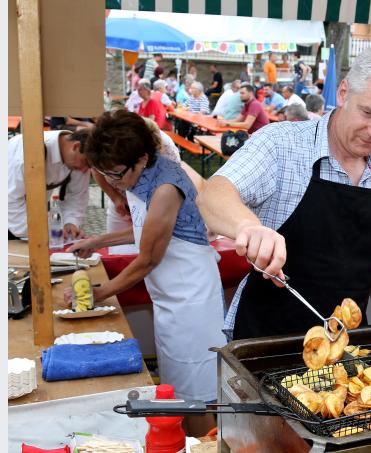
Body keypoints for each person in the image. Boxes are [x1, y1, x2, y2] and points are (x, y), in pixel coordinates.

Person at [196, 46, 371, 341]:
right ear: (343, 93)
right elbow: (213, 194)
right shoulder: (281, 144)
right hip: (266, 342)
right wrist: (249, 227)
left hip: (343, 348)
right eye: (368, 113)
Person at [67, 111, 226, 436]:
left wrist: (100, 293)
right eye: (105, 174)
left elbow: (148, 257)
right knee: (176, 392)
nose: (113, 183)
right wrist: (99, 240)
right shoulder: (139, 175)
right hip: (170, 301)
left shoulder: (166, 186)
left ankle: (205, 443)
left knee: (196, 400)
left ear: (142, 158)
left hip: (192, 301)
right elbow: (146, 230)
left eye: (116, 174)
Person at [95, 118, 204, 233]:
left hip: (151, 203)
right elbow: (95, 168)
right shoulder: (110, 143)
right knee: (116, 249)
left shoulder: (166, 154)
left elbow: (151, 231)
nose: (109, 178)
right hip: (122, 201)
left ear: (143, 159)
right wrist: (116, 198)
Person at [8, 129, 90, 240]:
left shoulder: (78, 159)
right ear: (76, 146)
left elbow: (77, 196)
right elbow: (10, 201)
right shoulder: (27, 152)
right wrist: (49, 231)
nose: (84, 170)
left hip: (29, 218)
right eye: (85, 163)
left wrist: (70, 223)